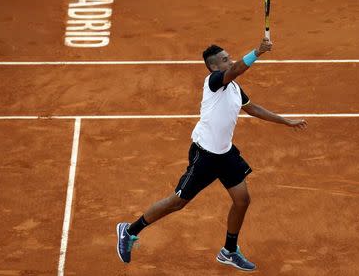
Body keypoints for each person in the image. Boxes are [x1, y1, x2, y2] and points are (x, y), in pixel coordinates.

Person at [116, 37, 307, 271]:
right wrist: (258, 52)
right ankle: (129, 230)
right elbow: (237, 69)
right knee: (177, 203)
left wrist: (285, 122)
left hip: (225, 154)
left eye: (230, 57)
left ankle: (229, 250)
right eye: (225, 60)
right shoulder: (214, 81)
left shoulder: (235, 88)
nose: (231, 61)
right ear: (214, 66)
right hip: (204, 155)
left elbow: (253, 108)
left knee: (242, 200)